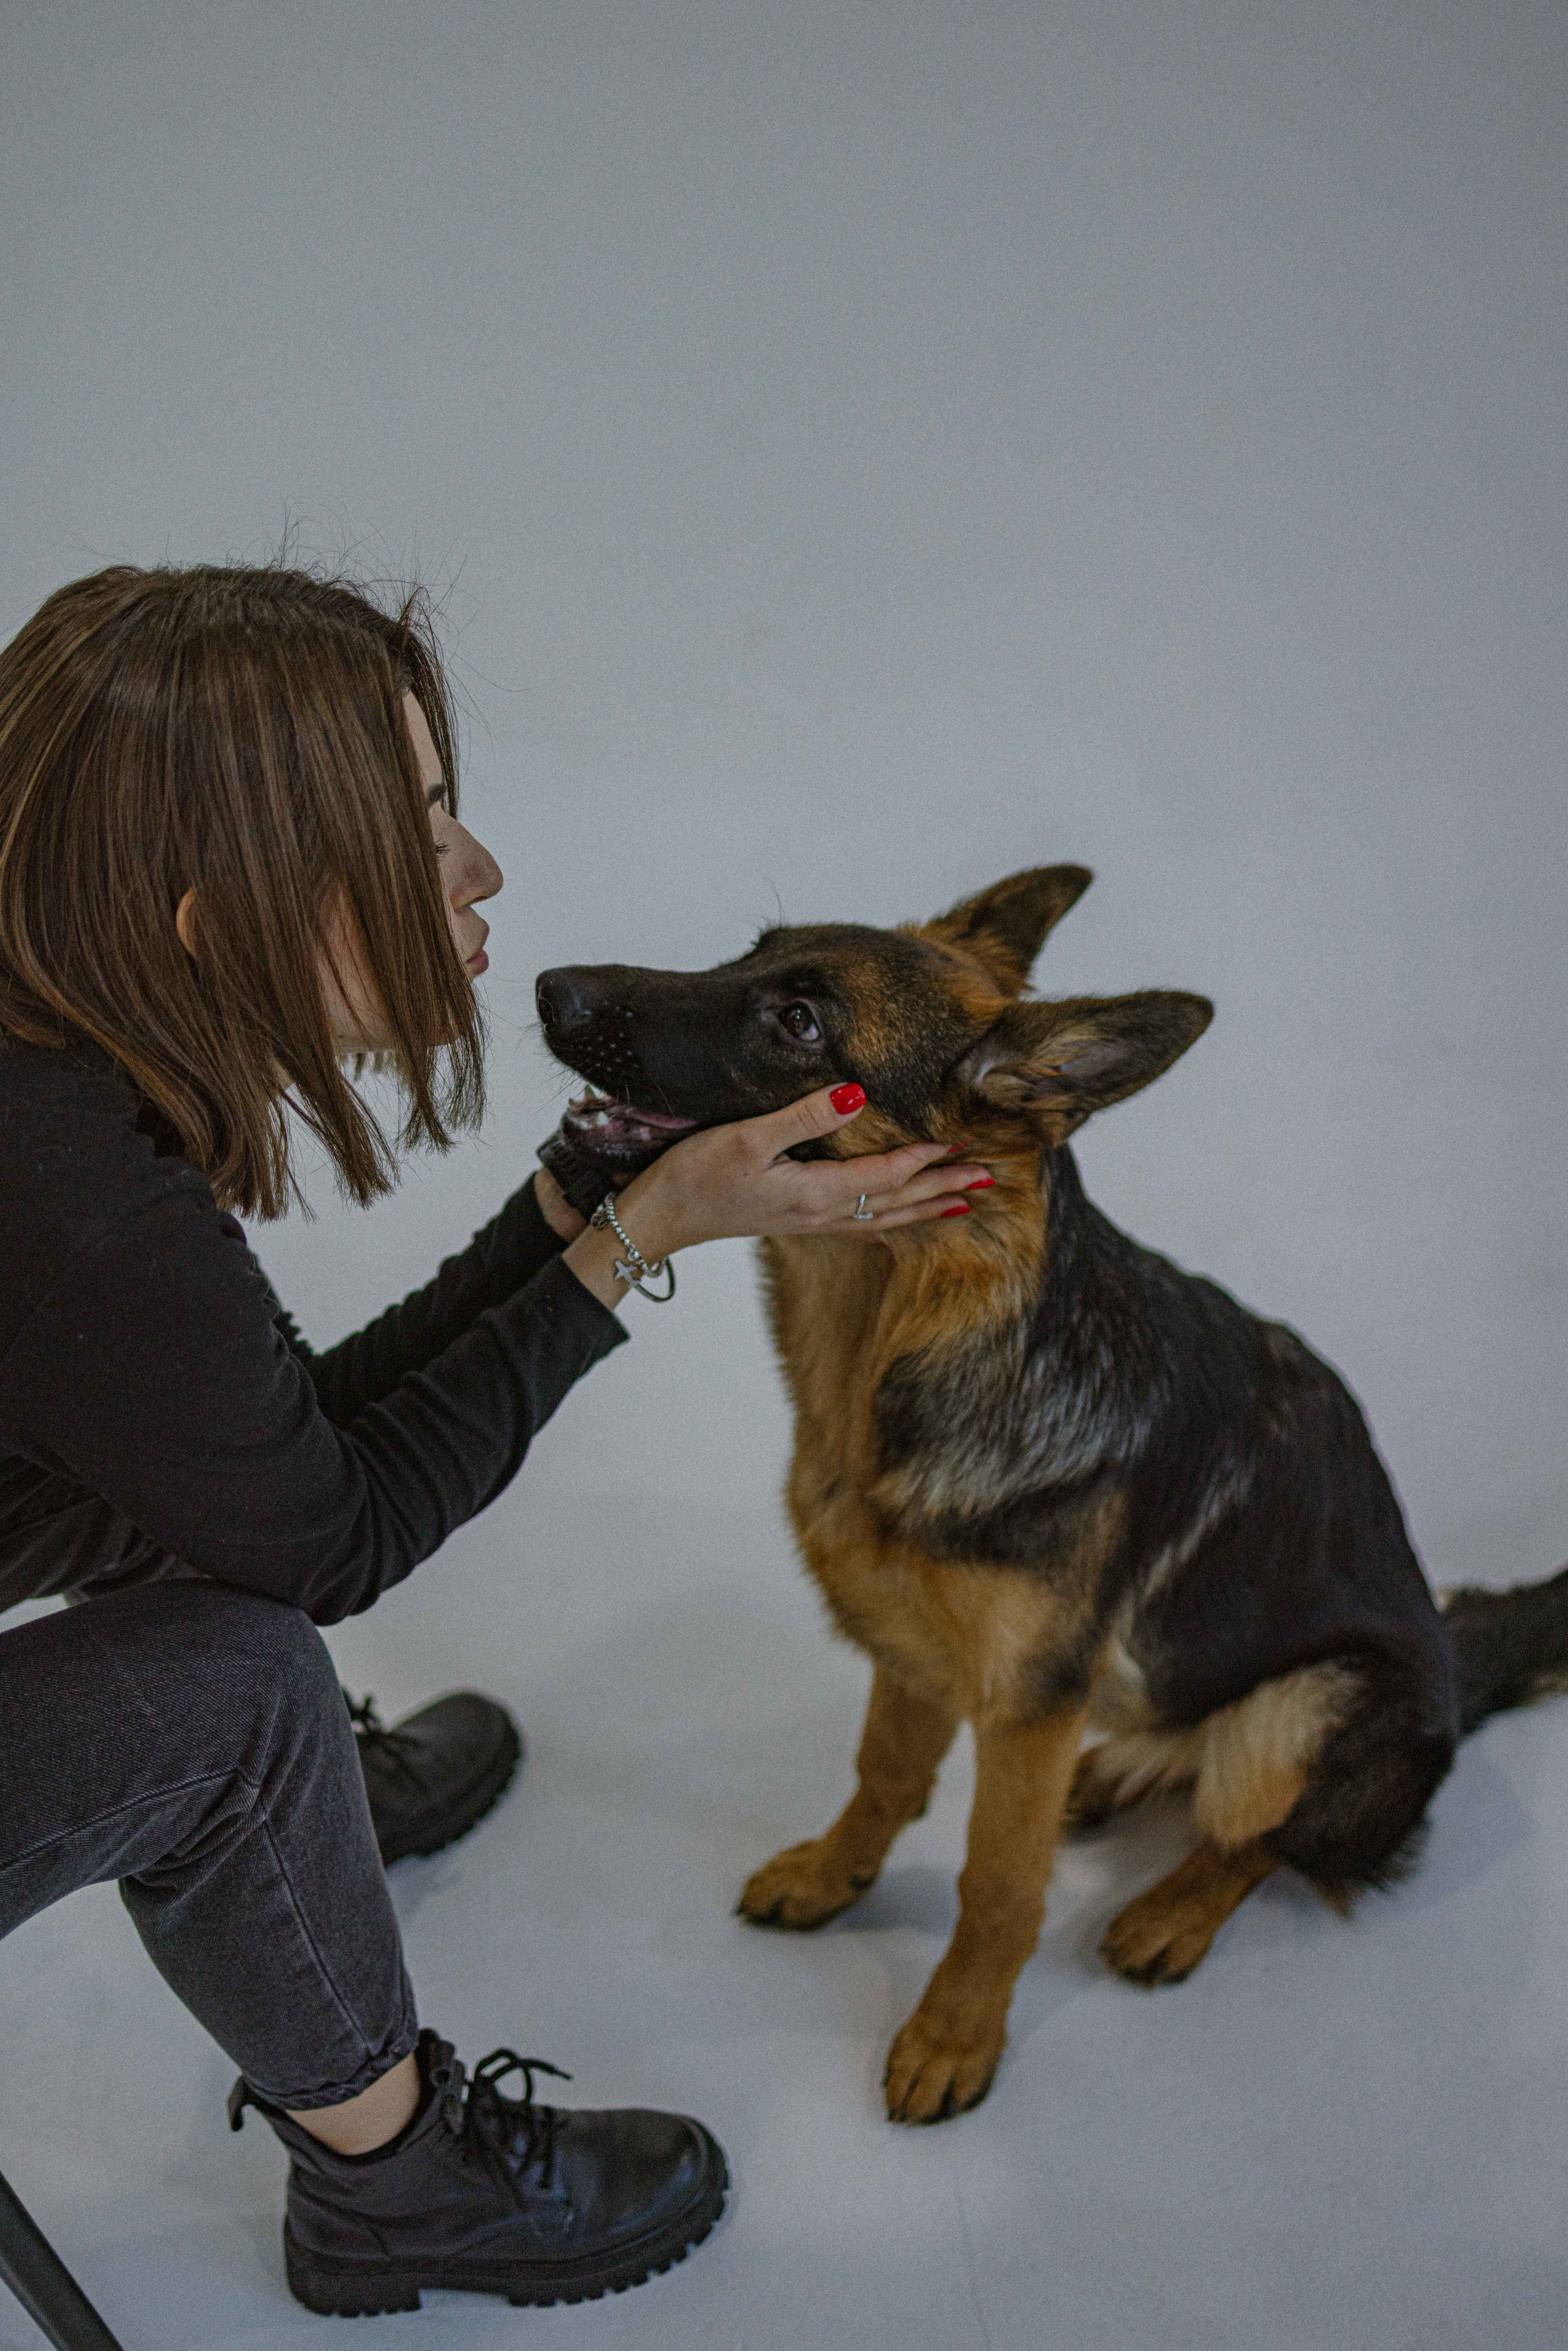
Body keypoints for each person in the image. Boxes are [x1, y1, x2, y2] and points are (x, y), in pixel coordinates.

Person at [0, 564, 989, 2319]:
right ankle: (394, 2190)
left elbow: (264, 1463)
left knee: (179, 1498)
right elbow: (336, 1542)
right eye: (417, 829)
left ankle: (294, 1829)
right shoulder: (57, 1190)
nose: (478, 874)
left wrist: (587, 1198)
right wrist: (643, 1236)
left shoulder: (47, 1076)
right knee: (238, 1694)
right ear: (203, 918)